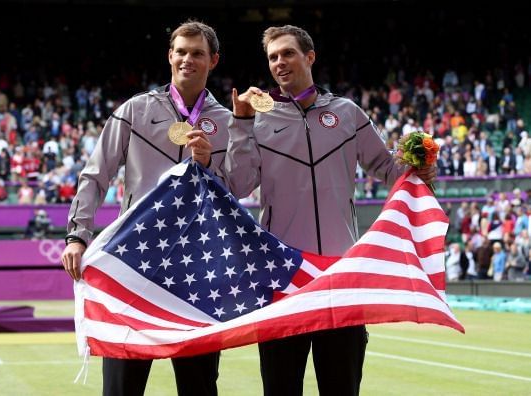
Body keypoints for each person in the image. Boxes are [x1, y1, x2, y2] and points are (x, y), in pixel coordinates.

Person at [225, 25, 436, 396]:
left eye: (287, 53)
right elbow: (239, 186)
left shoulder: (347, 112)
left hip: (341, 275)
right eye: (273, 57)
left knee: (341, 388)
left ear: (309, 57)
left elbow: (387, 169)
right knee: (280, 388)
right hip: (283, 278)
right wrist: (241, 122)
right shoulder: (259, 118)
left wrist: (418, 165)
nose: (279, 63)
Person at [61, 21, 230, 396]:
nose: (188, 59)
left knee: (199, 385)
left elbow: (238, 189)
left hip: (196, 267)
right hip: (135, 262)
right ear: (170, 56)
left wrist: (209, 166)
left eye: (197, 53)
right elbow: (96, 173)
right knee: (123, 385)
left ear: (213, 60)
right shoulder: (135, 109)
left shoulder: (227, 120)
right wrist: (77, 234)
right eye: (181, 51)